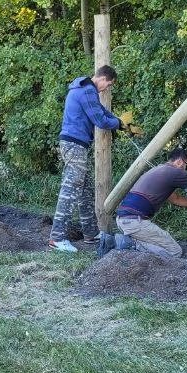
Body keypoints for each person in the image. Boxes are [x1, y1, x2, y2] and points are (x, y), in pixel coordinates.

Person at [99, 147, 187, 258]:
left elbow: (176, 199)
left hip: (124, 220)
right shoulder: (174, 172)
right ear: (180, 162)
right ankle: (123, 243)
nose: (186, 168)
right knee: (174, 252)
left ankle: (127, 241)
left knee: (157, 244)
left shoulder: (160, 171)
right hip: (135, 222)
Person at [49, 65, 123, 252]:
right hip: (74, 144)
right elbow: (100, 120)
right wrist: (118, 124)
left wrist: (120, 122)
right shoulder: (88, 90)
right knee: (70, 190)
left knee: (85, 190)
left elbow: (102, 112)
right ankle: (57, 238)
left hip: (75, 144)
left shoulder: (84, 89)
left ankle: (90, 233)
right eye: (109, 84)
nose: (107, 89)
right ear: (104, 78)